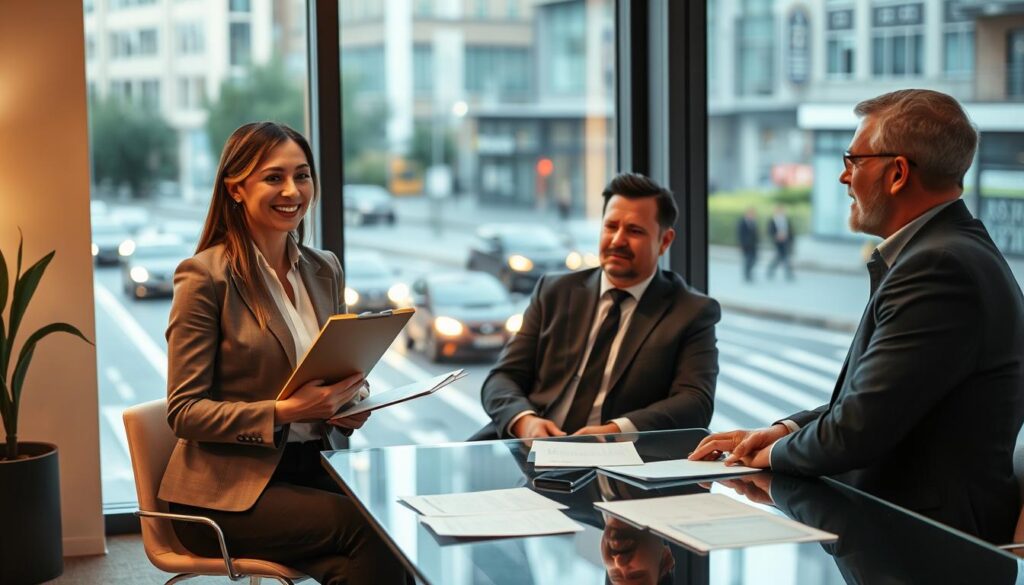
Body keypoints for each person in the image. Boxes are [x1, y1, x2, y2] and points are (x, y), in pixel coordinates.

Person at [690, 89, 1024, 543]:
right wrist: (778, 432)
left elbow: (857, 428)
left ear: (898, 173)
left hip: (927, 549)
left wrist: (763, 456)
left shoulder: (940, 266)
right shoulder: (948, 251)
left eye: (854, 160)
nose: (844, 177)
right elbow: (876, 401)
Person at [157, 122, 407, 584]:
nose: (292, 191)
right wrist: (283, 411)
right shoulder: (204, 277)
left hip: (313, 465)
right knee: (365, 533)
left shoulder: (323, 268)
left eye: (302, 175)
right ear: (236, 187)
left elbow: (334, 363)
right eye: (274, 177)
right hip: (226, 491)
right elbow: (185, 412)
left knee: (386, 547)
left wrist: (351, 399)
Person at [471, 172, 720, 440]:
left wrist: (616, 431)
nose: (617, 240)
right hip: (531, 446)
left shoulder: (691, 311)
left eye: (634, 230)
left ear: (665, 241)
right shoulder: (554, 291)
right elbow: (502, 378)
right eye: (611, 226)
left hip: (621, 461)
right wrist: (526, 422)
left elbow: (695, 402)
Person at [765, 204, 794, 280]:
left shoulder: (786, 220)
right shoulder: (772, 220)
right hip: (777, 242)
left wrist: (787, 237)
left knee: (784, 257)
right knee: (781, 257)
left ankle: (787, 273)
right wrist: (776, 236)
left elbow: (791, 231)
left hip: (785, 242)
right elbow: (770, 231)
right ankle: (772, 270)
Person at [736, 207, 759, 282]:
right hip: (745, 245)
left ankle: (749, 272)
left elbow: (756, 234)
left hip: (753, 245)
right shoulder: (742, 222)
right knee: (747, 260)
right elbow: (739, 235)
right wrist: (740, 245)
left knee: (754, 259)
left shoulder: (754, 222)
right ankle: (747, 274)